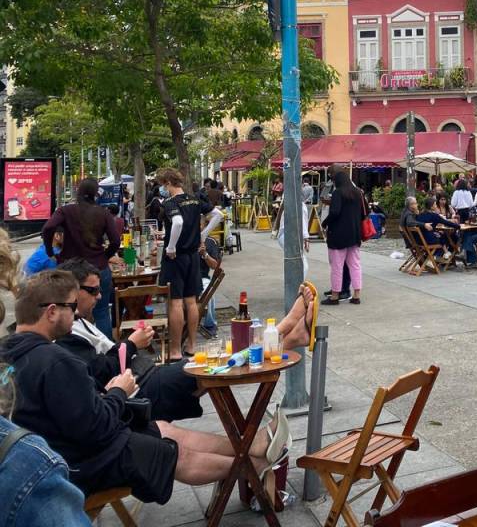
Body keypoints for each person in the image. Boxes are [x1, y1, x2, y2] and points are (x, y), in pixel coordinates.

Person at [0, 270, 289, 505]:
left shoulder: (10, 353)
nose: (76, 315)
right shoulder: (55, 360)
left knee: (163, 429)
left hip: (57, 453)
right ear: (51, 312)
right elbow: (93, 427)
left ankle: (252, 447)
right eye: (71, 308)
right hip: (77, 462)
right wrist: (118, 392)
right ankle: (255, 467)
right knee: (173, 453)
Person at [55, 258, 203, 422]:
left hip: (141, 377)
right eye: (94, 290)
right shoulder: (65, 332)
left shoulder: (77, 321)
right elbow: (102, 371)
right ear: (73, 292)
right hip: (136, 390)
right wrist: (131, 344)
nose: (99, 296)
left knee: (204, 369)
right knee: (204, 370)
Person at [0, 355, 92, 527]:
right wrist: (118, 393)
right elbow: (93, 428)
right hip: (81, 463)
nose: (72, 325)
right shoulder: (30, 465)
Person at [155, 167, 222, 360]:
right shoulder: (195, 199)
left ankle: (175, 350)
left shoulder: (170, 202)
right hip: (193, 256)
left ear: (168, 183)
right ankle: (192, 345)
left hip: (176, 258)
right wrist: (203, 234)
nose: (163, 189)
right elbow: (217, 215)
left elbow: (176, 222)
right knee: (191, 301)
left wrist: (171, 247)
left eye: (163, 185)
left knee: (175, 302)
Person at [42, 178, 121, 339]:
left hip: (70, 269)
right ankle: (106, 352)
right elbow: (115, 240)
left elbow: (48, 227)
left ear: (78, 191)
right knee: (102, 312)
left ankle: (72, 347)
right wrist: (104, 256)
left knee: (67, 310)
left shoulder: (65, 211)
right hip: (98, 268)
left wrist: (50, 251)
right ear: (96, 194)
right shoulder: (103, 213)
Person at [322, 170, 366, 305]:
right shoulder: (358, 192)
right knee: (355, 264)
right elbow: (365, 213)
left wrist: (325, 223)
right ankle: (356, 295)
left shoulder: (337, 193)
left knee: (337, 266)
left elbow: (335, 212)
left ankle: (335, 296)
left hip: (338, 234)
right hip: (354, 233)